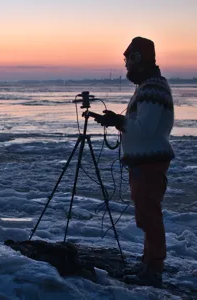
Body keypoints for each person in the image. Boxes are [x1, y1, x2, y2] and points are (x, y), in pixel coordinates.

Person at [95, 36, 175, 287]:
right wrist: (117, 120)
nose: (126, 68)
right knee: (146, 216)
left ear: (137, 60)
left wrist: (117, 122)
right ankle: (148, 264)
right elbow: (142, 126)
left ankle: (153, 270)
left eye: (128, 61)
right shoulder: (148, 86)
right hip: (144, 163)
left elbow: (147, 129)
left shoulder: (152, 88)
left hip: (150, 164)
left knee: (150, 217)